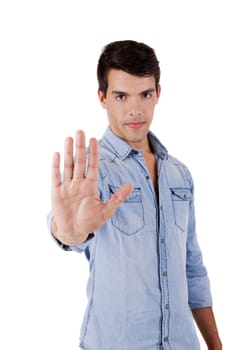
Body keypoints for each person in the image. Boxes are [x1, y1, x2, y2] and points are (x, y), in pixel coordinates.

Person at [48, 40, 222, 350]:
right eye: (121, 96)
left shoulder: (179, 174)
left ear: (158, 93)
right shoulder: (91, 172)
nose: (135, 110)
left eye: (145, 94)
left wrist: (215, 344)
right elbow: (65, 227)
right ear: (103, 98)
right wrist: (69, 233)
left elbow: (192, 267)